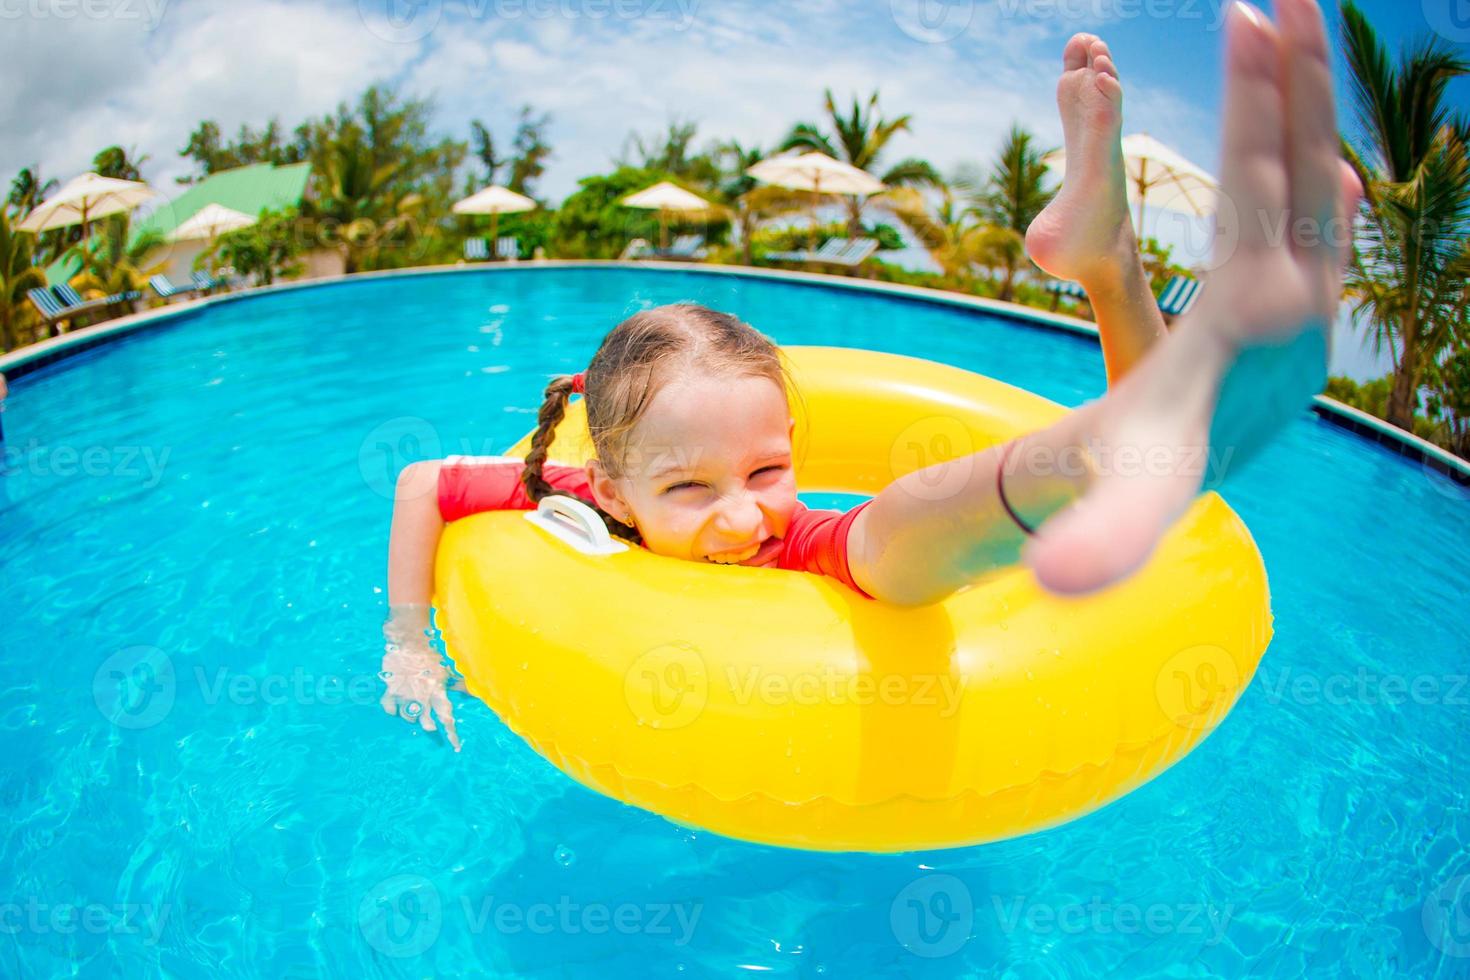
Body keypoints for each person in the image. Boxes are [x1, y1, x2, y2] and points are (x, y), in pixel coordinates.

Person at [380, 0, 1359, 750]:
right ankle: (1106, 267)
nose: (742, 518)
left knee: (894, 543)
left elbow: (889, 536)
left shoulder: (786, 533)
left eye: (767, 470)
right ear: (617, 486)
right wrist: (408, 637)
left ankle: (1128, 348)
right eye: (688, 487)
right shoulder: (572, 494)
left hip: (915, 531)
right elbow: (422, 482)